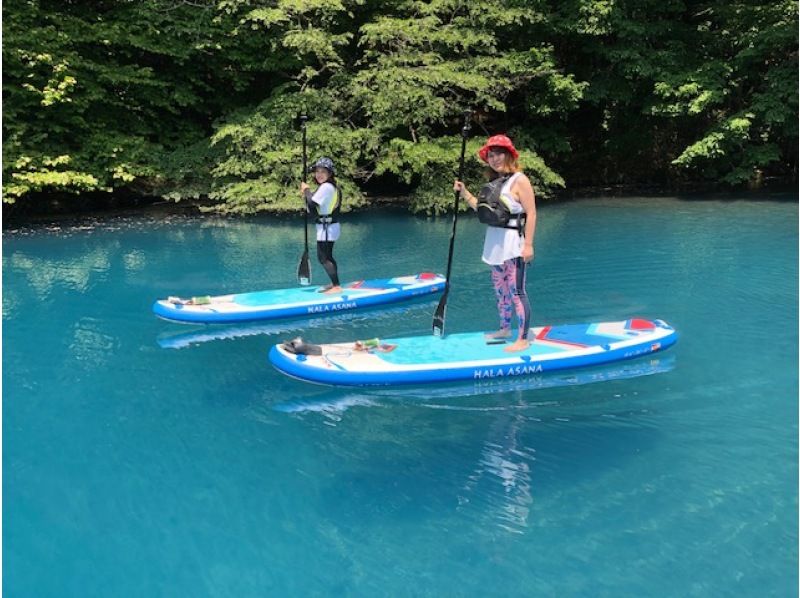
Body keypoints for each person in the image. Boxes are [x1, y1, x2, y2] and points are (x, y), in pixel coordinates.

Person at [453, 134, 537, 352]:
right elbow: (482, 210)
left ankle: (523, 338)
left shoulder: (520, 180)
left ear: (508, 155)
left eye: (499, 153)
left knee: (517, 291)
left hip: (513, 245)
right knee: (500, 291)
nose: (495, 158)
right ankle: (505, 329)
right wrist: (464, 192)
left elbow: (532, 213)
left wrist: (528, 245)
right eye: (490, 155)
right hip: (494, 244)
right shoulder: (492, 184)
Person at [300, 157, 342, 293]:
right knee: (328, 257)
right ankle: (335, 284)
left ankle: (336, 286)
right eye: (317, 171)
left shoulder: (326, 187)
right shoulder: (329, 186)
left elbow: (312, 203)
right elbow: (314, 205)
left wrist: (306, 190)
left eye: (323, 171)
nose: (319, 174)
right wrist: (308, 194)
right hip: (329, 227)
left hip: (327, 229)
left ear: (330, 174)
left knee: (323, 258)